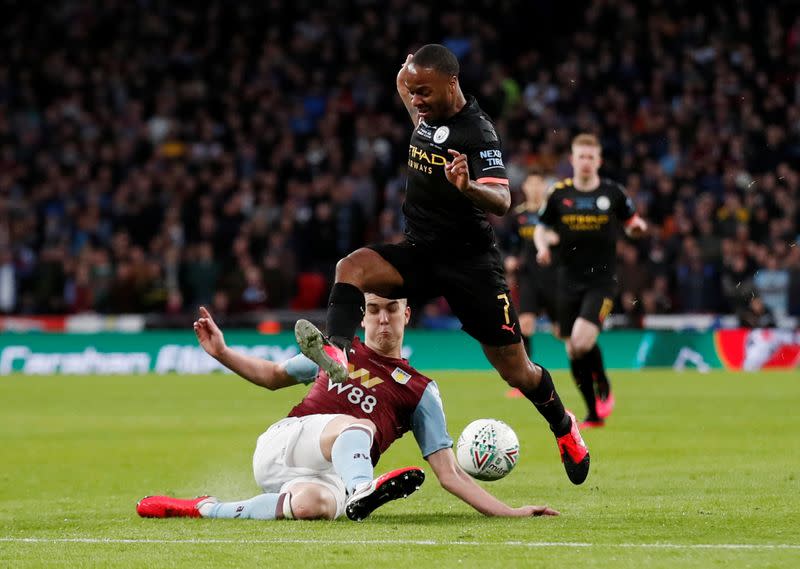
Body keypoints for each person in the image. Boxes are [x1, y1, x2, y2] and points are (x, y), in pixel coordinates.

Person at [309, 43, 590, 485]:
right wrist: (406, 69)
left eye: (425, 91)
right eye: (413, 90)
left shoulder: (477, 132)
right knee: (352, 267)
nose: (416, 99)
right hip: (420, 252)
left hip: (471, 266)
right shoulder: (421, 109)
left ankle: (564, 427)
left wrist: (467, 186)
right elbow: (403, 81)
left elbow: (502, 200)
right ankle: (337, 351)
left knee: (517, 371)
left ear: (451, 83)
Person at [137, 294, 560, 521]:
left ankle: (203, 508)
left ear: (406, 314)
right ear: (361, 317)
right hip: (284, 445)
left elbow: (449, 474)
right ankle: (363, 489)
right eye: (373, 310)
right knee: (355, 425)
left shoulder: (420, 391)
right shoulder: (339, 351)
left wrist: (511, 512)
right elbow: (271, 377)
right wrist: (222, 353)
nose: (381, 320)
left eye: (391, 310)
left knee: (311, 508)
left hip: (322, 479)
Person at [534, 133, 647, 429]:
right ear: (572, 160)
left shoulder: (613, 193)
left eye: (590, 157)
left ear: (598, 160)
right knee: (572, 349)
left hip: (602, 282)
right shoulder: (558, 194)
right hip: (566, 280)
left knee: (582, 342)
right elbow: (540, 228)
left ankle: (603, 382)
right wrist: (543, 247)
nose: (585, 162)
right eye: (580, 156)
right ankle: (593, 413)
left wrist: (637, 229)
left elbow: (633, 222)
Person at [505, 168, 561, 355]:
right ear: (525, 187)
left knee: (562, 331)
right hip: (528, 276)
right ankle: (526, 379)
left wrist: (557, 238)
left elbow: (568, 241)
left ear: (545, 187)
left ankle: (584, 367)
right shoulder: (517, 216)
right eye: (532, 184)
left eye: (539, 184)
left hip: (554, 277)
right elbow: (511, 244)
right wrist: (509, 259)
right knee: (526, 325)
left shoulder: (554, 215)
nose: (536, 188)